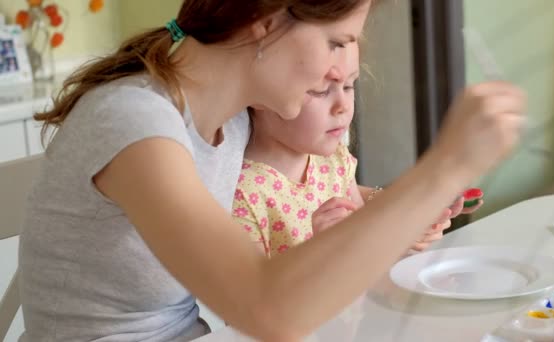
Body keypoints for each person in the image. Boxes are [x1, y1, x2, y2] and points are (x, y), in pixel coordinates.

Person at [19, 0, 526, 341]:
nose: (340, 71)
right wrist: (446, 164)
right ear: (265, 21)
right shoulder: (135, 121)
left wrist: (392, 205)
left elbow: (312, 211)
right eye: (336, 41)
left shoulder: (234, 122)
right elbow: (267, 307)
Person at [233, 43, 482, 257]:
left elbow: (365, 235)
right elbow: (251, 309)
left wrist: (410, 221)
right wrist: (318, 252)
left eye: (349, 86)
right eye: (321, 90)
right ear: (260, 93)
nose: (343, 106)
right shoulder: (243, 195)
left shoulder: (330, 158)